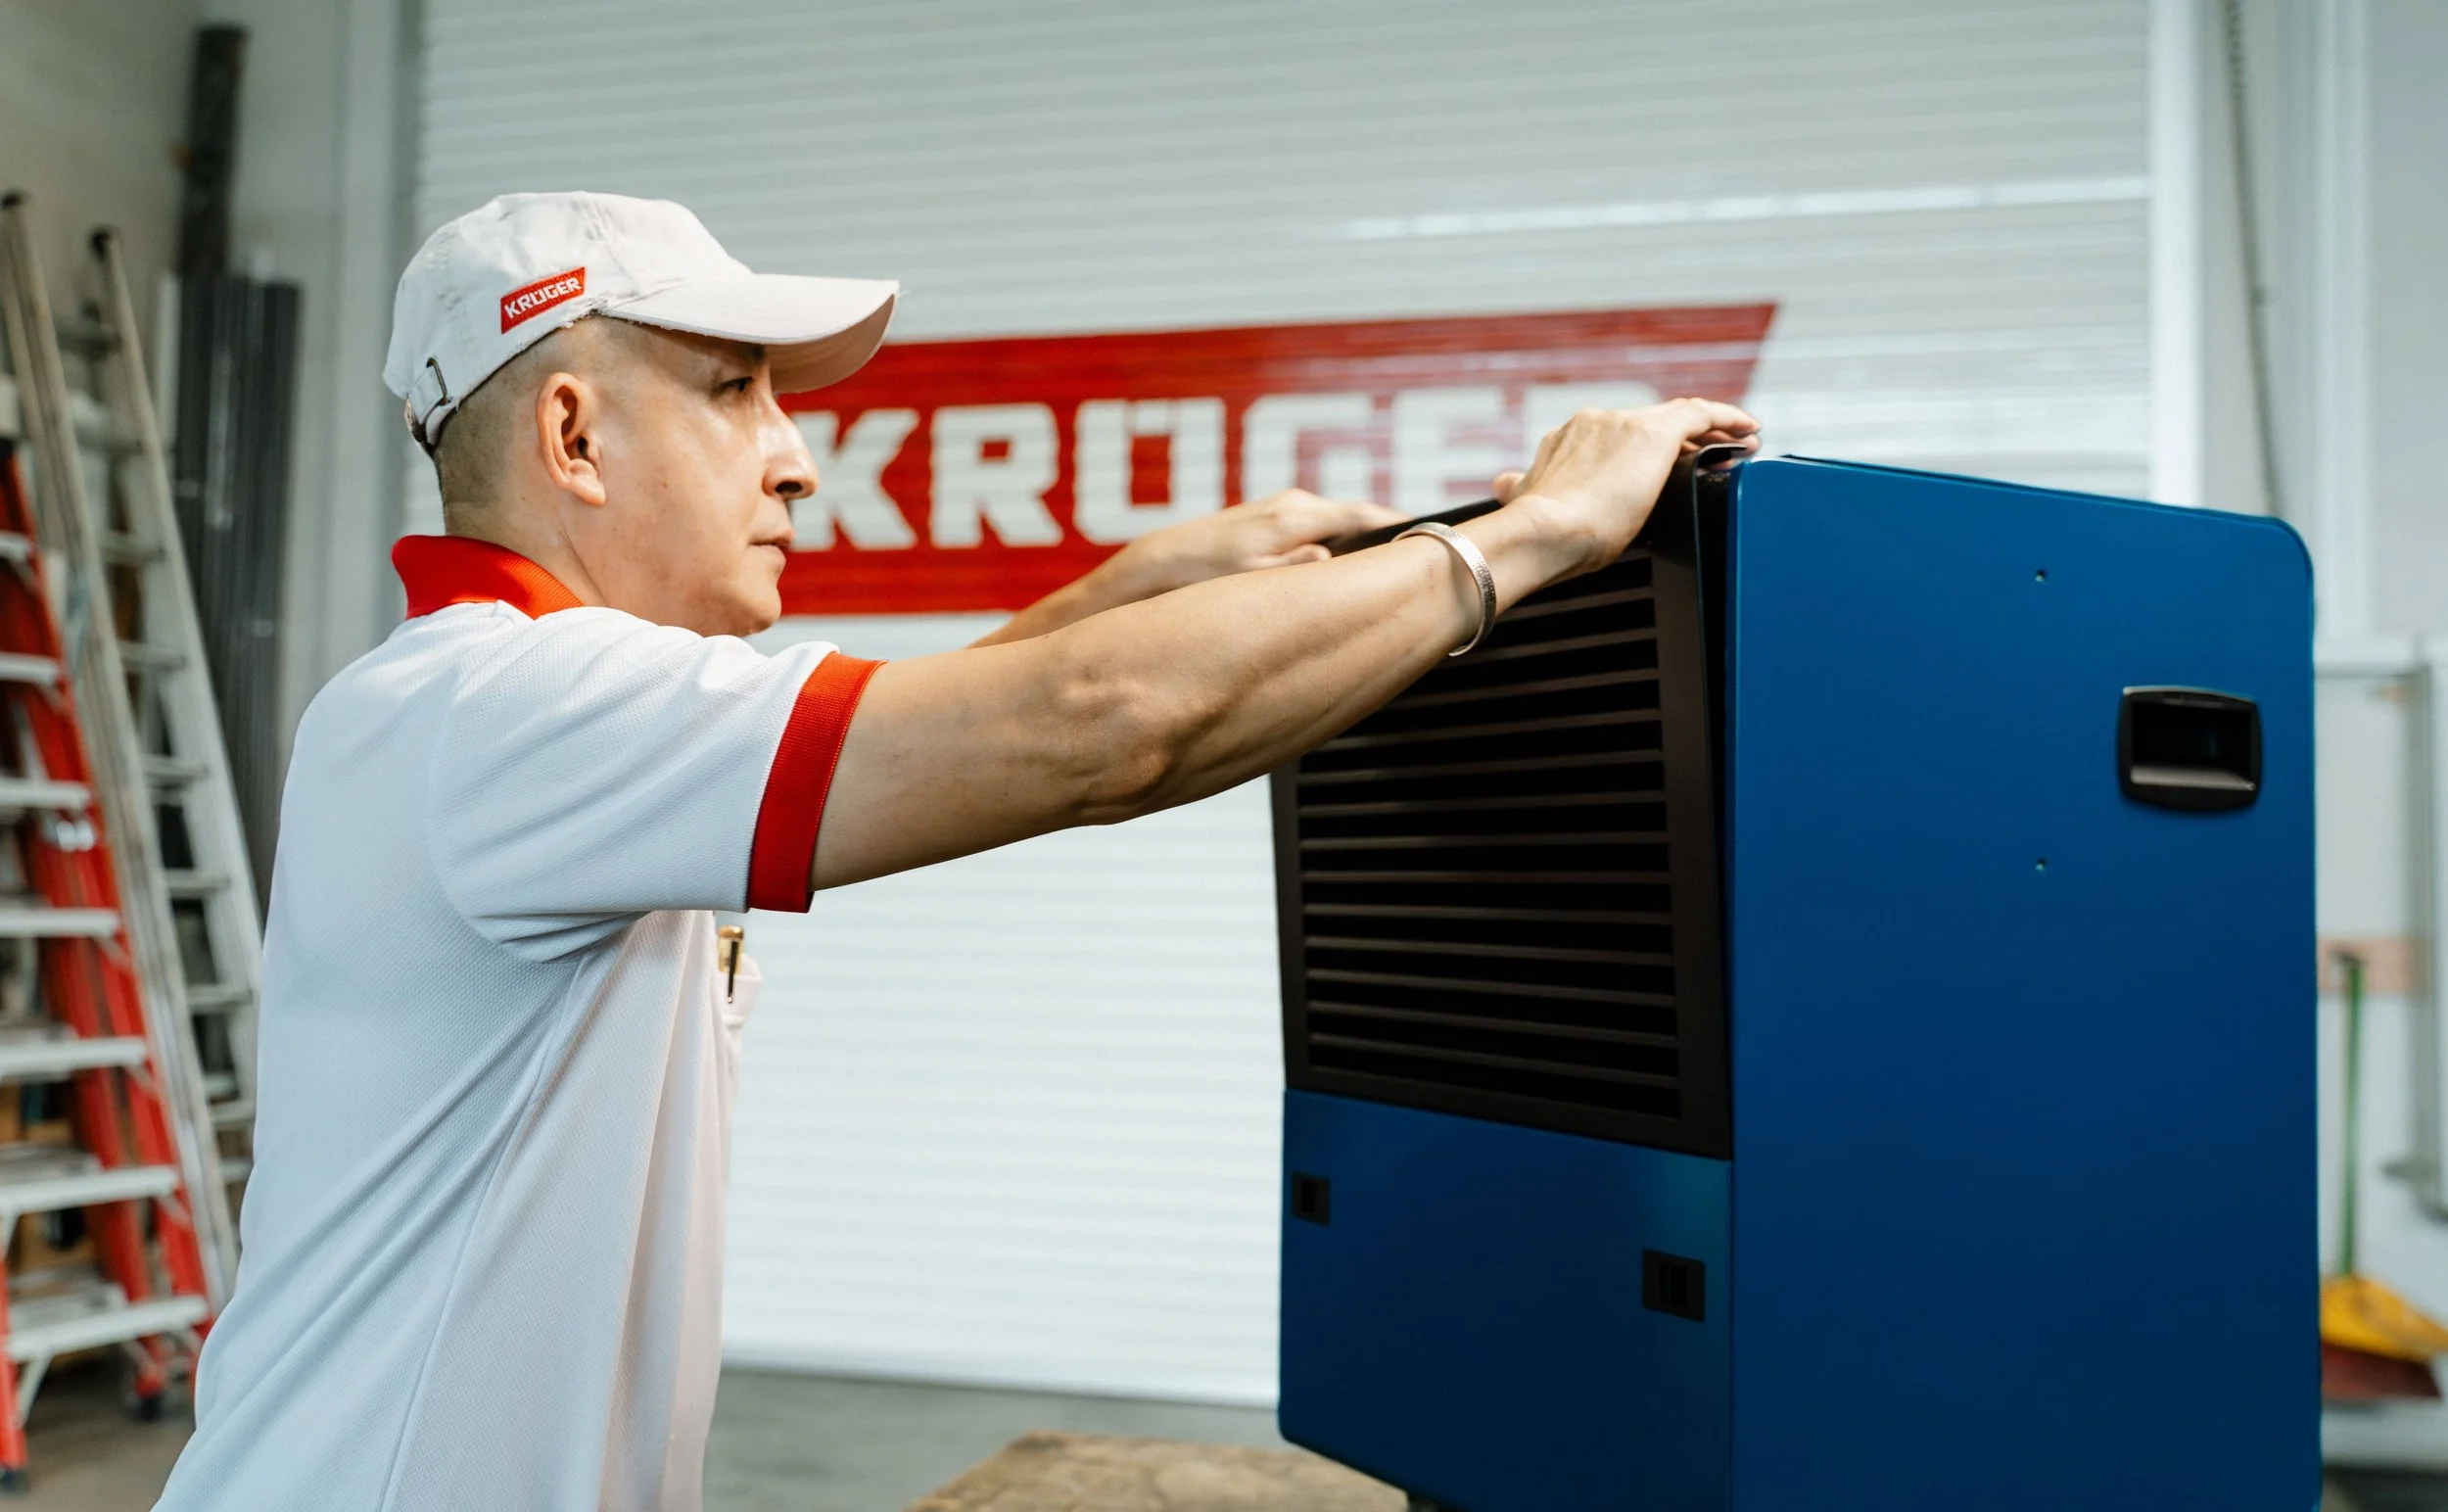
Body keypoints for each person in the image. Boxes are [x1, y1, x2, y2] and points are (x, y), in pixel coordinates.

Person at [150, 192, 1757, 1512]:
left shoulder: (523, 725)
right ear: (573, 433)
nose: (797, 456)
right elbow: (1089, 732)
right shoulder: (505, 710)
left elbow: (942, 726)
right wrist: (1535, 534)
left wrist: (1138, 583)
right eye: (733, 390)